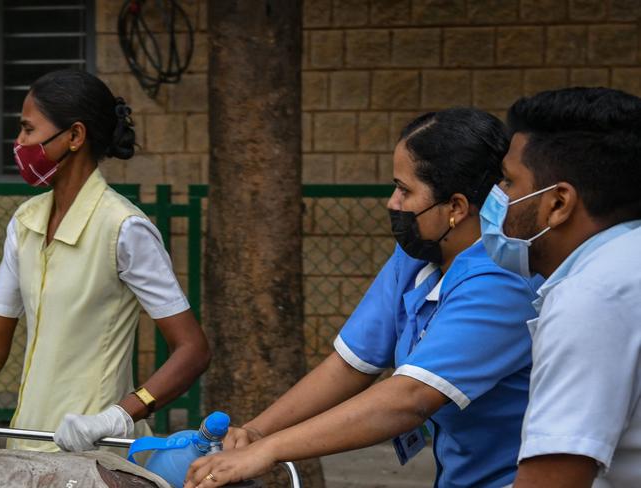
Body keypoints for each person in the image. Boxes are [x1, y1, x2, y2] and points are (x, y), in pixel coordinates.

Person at [185, 108, 542, 488]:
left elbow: (410, 398)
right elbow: (352, 364)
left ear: (454, 208)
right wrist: (255, 433)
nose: (393, 202)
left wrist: (269, 450)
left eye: (405, 190)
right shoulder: (419, 254)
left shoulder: (502, 281)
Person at [0, 69, 210, 454]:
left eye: (28, 130)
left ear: (75, 136)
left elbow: (192, 349)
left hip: (93, 451)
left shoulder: (124, 229)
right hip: (26, 444)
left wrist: (119, 415)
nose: (19, 143)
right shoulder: (25, 224)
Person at [480, 87, 641, 487]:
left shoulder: (590, 298)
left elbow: (552, 481)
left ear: (558, 203)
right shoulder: (625, 263)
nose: (498, 196)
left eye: (508, 180)